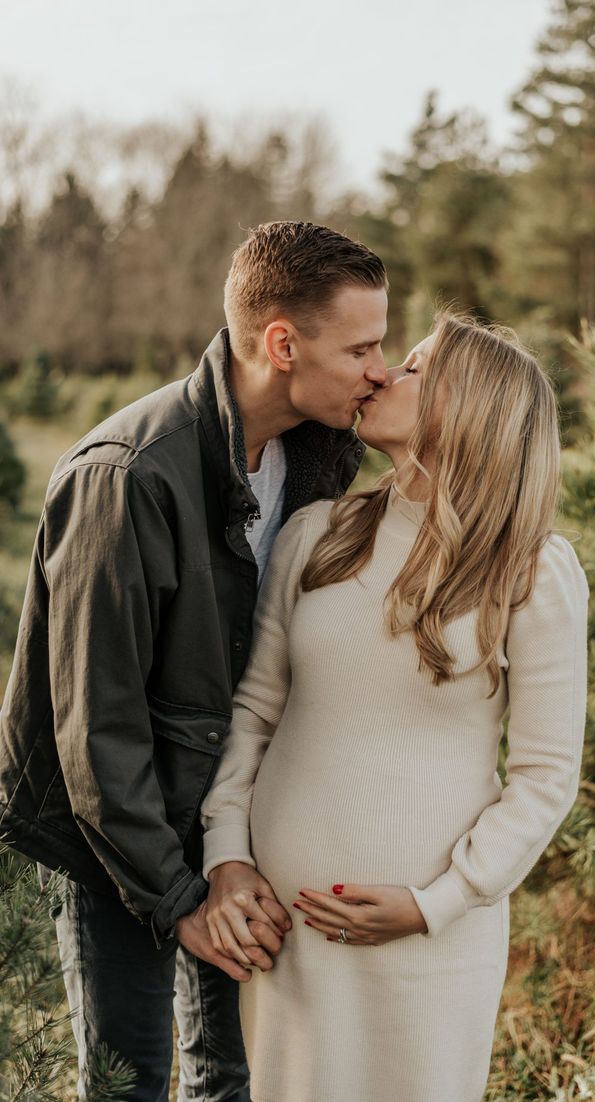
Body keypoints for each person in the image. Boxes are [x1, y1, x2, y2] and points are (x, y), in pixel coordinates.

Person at [0, 221, 388, 1101]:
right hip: (117, 842)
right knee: (128, 1085)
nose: (379, 368)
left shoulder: (320, 458)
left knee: (232, 1081)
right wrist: (179, 898)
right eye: (362, 346)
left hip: (234, 830)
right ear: (282, 343)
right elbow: (94, 731)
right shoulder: (128, 475)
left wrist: (230, 851)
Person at [200, 313, 589, 1102]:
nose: (379, 375)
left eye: (412, 367)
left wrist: (431, 904)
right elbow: (253, 717)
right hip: (288, 939)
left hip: (430, 947)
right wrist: (228, 858)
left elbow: (546, 777)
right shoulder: (318, 536)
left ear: (468, 405)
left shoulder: (531, 570)